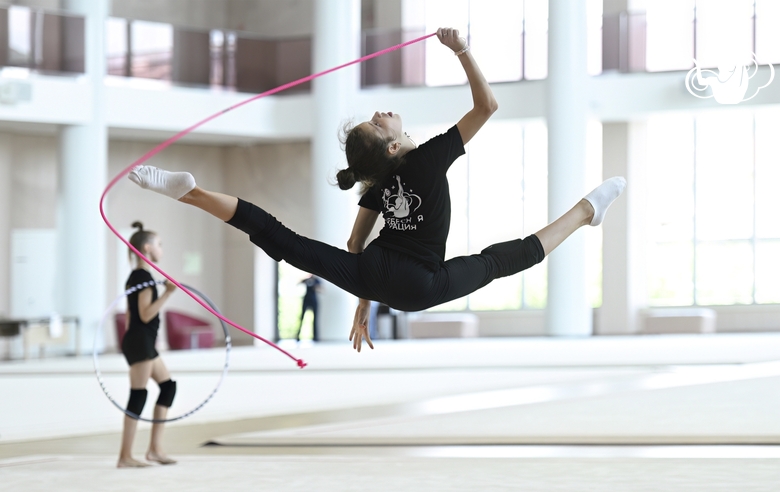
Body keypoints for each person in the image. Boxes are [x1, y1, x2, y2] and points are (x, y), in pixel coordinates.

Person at [127, 28, 626, 353]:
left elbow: (352, 246)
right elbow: (487, 105)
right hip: (414, 283)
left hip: (382, 277)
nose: (384, 112)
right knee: (500, 260)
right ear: (392, 148)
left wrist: (365, 294)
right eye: (379, 121)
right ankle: (585, 211)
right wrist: (462, 50)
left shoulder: (379, 183)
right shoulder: (427, 158)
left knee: (282, 240)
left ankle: (191, 194)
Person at [117, 222, 178, 468]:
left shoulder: (135, 277)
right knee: (138, 396)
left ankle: (155, 449)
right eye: (159, 244)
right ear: (147, 247)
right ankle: (125, 456)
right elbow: (144, 314)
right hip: (140, 342)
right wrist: (168, 294)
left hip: (140, 341)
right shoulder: (143, 277)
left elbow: (131, 317)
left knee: (168, 388)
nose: (161, 249)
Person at [295, 275, 322, 341]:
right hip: (306, 300)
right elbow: (298, 283)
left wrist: (315, 287)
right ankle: (298, 337)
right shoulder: (307, 279)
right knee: (301, 318)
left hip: (314, 301)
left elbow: (321, 289)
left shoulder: (317, 281)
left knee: (315, 320)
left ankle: (315, 338)